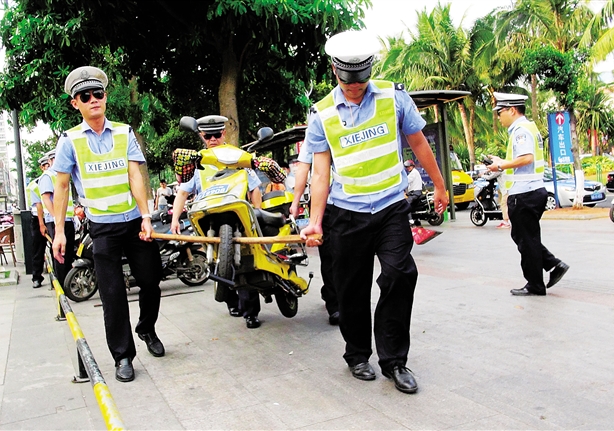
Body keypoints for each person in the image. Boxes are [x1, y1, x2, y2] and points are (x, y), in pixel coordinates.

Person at [299, 30, 448, 394]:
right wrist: (315, 221)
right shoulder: (321, 113)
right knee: (350, 288)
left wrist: (439, 185)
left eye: (361, 79)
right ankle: (357, 354)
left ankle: (394, 361)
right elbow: (320, 173)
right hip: (345, 213)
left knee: (399, 274)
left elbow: (418, 143)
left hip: (390, 207)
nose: (355, 87)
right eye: (348, 80)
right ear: (335, 71)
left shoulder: (393, 97)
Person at [51, 66, 164, 383]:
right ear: (75, 103)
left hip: (134, 223)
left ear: (105, 97)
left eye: (97, 94)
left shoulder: (124, 133)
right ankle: (123, 356)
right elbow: (61, 187)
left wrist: (146, 216)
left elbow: (135, 176)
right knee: (112, 294)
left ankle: (147, 328)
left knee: (151, 280)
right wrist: (59, 232)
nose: (93, 100)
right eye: (85, 96)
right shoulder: (69, 141)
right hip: (101, 229)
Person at [169, 115, 264, 329]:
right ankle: (232, 302)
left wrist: (257, 212)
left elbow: (254, 188)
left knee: (246, 262)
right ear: (202, 137)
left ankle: (251, 312)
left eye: (217, 135)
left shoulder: (238, 157)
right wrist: (175, 219)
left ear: (224, 133)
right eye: (207, 136)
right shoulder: (197, 162)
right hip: (209, 220)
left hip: (237, 216)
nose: (213, 139)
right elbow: (183, 192)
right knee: (215, 262)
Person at [487, 92, 569, 296]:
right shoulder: (528, 128)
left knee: (526, 240)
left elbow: (527, 158)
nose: (498, 117)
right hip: (532, 191)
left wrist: (501, 165)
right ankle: (552, 265)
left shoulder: (521, 131)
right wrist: (501, 162)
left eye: (500, 112)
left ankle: (536, 283)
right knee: (525, 237)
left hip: (525, 193)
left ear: (512, 110)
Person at [289, 144, 339, 326]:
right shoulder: (315, 135)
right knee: (329, 255)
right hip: (323, 205)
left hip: (353, 203)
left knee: (350, 254)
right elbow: (303, 169)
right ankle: (335, 305)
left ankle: (340, 296)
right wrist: (296, 202)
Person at [38, 149, 76, 288]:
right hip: (57, 221)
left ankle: (68, 283)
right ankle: (61, 284)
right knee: (60, 253)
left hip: (68, 220)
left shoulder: (63, 175)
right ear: (50, 161)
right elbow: (46, 199)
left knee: (68, 253)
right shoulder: (47, 176)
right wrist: (56, 218)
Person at [26, 156, 50, 288]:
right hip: (39, 219)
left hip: (53, 218)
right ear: (42, 167)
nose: (48, 167)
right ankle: (37, 277)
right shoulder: (35, 185)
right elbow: (38, 207)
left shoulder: (55, 179)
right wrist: (41, 224)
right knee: (38, 250)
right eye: (46, 165)